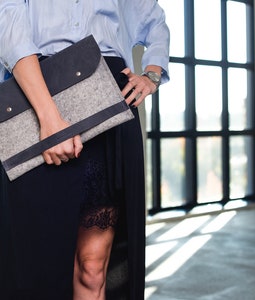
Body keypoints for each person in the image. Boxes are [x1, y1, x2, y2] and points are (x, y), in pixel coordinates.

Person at [0, 1, 169, 299]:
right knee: (37, 267)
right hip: (36, 93)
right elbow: (8, 25)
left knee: (93, 268)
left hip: (108, 96)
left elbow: (154, 22)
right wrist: (49, 118)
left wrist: (152, 74)